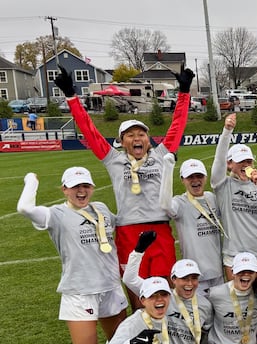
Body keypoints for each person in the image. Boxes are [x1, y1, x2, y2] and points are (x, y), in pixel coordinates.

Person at [54, 65, 194, 309]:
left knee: (163, 294)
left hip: (160, 230)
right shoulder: (113, 159)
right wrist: (71, 97)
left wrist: (184, 91)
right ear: (121, 141)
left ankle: (168, 340)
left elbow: (177, 125)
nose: (137, 138)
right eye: (130, 135)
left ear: (149, 140)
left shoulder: (161, 155)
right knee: (138, 296)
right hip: (128, 233)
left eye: (141, 133)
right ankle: (142, 342)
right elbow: (89, 129)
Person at [16, 167, 128, 344]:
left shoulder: (100, 207)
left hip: (111, 288)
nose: (81, 191)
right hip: (80, 291)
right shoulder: (56, 214)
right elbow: (23, 208)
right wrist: (32, 180)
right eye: (75, 187)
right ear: (64, 189)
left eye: (86, 186)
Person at [211, 114, 257, 280]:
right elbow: (218, 161)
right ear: (230, 164)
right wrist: (227, 131)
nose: (246, 165)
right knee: (236, 304)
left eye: (249, 161)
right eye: (241, 161)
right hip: (234, 255)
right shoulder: (222, 184)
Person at [160, 157, 224, 294]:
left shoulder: (212, 198)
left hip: (218, 272)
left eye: (199, 176)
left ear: (205, 178)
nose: (195, 180)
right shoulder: (180, 202)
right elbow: (165, 205)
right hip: (194, 275)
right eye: (190, 177)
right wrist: (167, 168)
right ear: (183, 180)